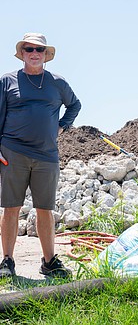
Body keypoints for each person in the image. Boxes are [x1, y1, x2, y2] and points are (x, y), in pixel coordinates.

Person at [0, 33, 81, 278]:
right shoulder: (7, 81)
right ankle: (7, 262)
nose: (34, 53)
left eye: (39, 49)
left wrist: (62, 126)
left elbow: (75, 105)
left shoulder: (57, 83)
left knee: (45, 209)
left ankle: (49, 262)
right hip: (13, 152)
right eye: (29, 49)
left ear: (46, 55)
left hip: (47, 155)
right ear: (22, 53)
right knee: (11, 208)